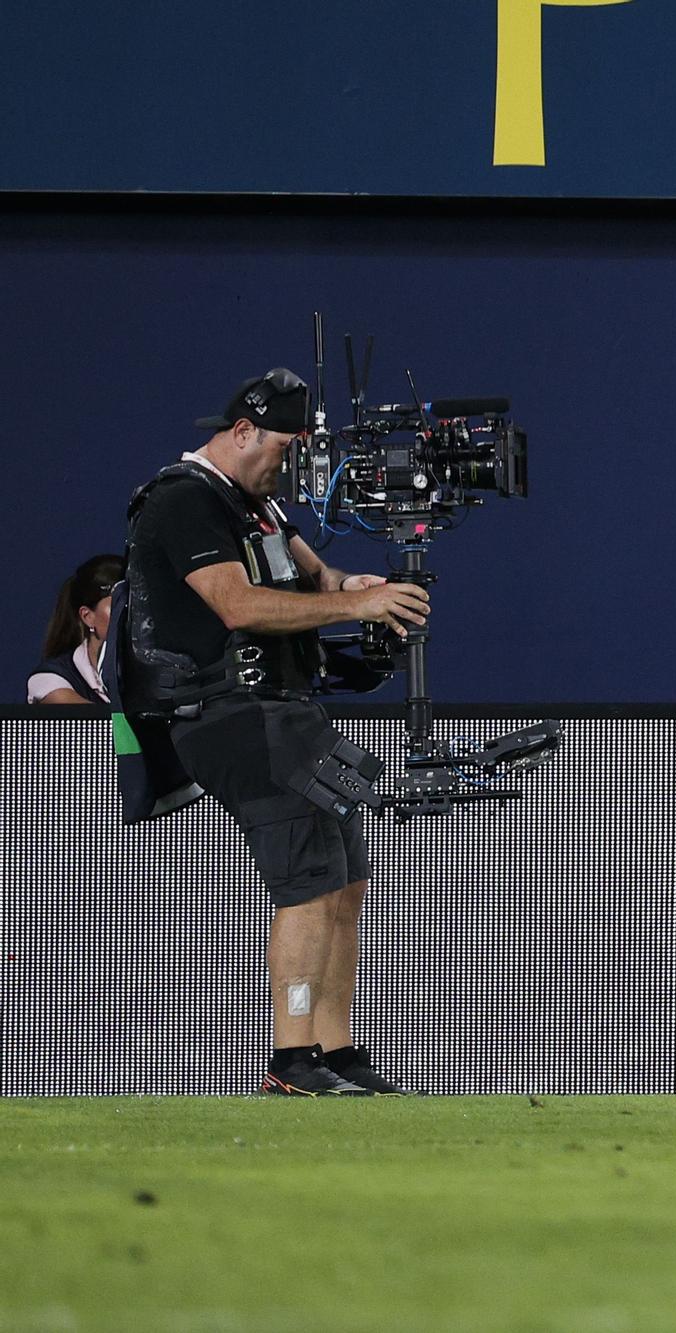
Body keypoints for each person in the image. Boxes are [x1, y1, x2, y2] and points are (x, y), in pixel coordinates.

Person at [122, 368, 431, 1096]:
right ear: (240, 432)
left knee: (345, 880)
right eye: (285, 451)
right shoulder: (182, 499)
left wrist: (360, 590)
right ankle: (291, 1057)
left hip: (287, 712)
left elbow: (320, 578)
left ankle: (335, 1047)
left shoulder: (256, 506)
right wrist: (355, 610)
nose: (293, 469)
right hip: (228, 715)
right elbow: (235, 605)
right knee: (303, 882)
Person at [29, 554, 123, 704]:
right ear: (88, 616)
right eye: (118, 606)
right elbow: (94, 723)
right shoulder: (50, 680)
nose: (129, 615)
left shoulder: (159, 673)